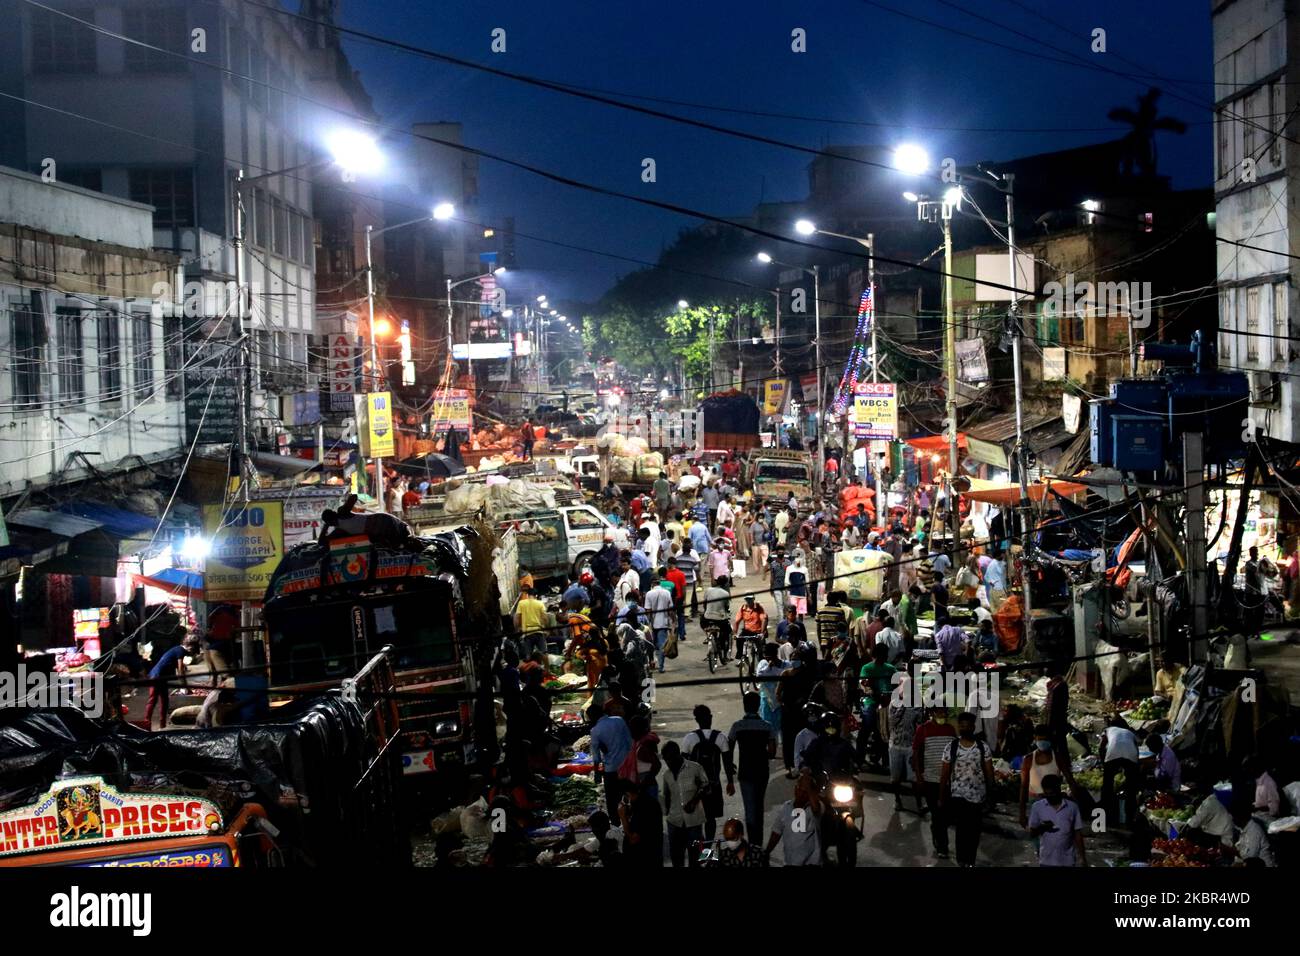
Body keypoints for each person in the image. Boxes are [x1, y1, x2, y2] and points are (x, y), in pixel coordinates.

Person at [939, 712, 995, 867]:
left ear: (973, 727)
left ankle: (970, 860)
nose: (964, 728)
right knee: (962, 831)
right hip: (958, 796)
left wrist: (992, 795)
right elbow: (944, 774)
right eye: (961, 725)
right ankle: (962, 860)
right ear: (958, 727)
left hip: (978, 796)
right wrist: (942, 797)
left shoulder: (982, 747)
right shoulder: (951, 747)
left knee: (974, 831)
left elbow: (989, 773)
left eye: (967, 726)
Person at [728, 691, 777, 844]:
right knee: (759, 806)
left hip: (746, 771)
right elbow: (772, 752)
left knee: (750, 809)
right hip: (762, 771)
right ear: (758, 706)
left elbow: (728, 750)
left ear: (744, 706)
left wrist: (730, 770)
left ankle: (752, 845)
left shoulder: (737, 726)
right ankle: (758, 844)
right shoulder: (767, 726)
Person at [682, 704, 735, 841]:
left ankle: (698, 852)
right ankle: (708, 851)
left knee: (696, 820)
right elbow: (727, 762)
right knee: (710, 819)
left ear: (696, 720)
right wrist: (730, 782)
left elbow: (683, 764)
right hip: (713, 786)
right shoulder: (721, 738)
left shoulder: (689, 739)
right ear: (710, 717)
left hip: (694, 787)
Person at [912, 708, 957, 859]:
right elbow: (916, 754)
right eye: (938, 712)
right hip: (930, 779)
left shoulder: (950, 729)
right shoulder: (922, 730)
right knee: (938, 814)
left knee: (945, 814)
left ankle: (937, 833)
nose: (942, 715)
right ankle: (942, 846)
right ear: (932, 713)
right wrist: (919, 776)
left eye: (944, 712)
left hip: (949, 780)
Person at [659, 741, 710, 867]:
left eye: (670, 759)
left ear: (678, 755)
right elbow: (666, 796)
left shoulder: (695, 768)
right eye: (665, 760)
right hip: (674, 823)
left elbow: (707, 786)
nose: (668, 763)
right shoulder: (667, 775)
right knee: (677, 858)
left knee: (696, 858)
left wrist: (694, 801)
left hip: (693, 822)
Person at [1026, 774, 1088, 867]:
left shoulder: (1072, 807)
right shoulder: (1037, 807)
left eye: (1052, 794)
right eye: (1047, 794)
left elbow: (1077, 834)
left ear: (1059, 790)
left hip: (1068, 861)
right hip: (1046, 861)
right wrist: (1042, 827)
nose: (1050, 797)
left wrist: (1082, 858)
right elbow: (1032, 833)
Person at [1019, 724, 1073, 827]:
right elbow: (1024, 786)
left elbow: (1070, 780)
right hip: (1034, 800)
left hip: (1054, 801)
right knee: (1036, 833)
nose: (1042, 742)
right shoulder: (1029, 759)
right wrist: (1022, 813)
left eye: (1045, 739)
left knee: (1054, 833)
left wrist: (1075, 805)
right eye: (1040, 739)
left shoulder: (1057, 758)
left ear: (1050, 740)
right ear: (1035, 739)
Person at [766, 772, 822, 866]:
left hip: (811, 864)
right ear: (795, 789)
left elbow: (816, 808)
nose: (802, 794)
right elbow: (776, 832)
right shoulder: (786, 808)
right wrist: (767, 851)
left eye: (806, 792)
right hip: (790, 863)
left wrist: (808, 787)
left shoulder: (813, 809)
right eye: (800, 789)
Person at [887, 676, 925, 812]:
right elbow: (892, 722)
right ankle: (897, 800)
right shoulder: (894, 704)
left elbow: (920, 725)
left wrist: (919, 747)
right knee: (895, 778)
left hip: (910, 745)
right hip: (895, 745)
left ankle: (919, 804)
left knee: (914, 778)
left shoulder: (918, 705)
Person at [590, 702, 633, 817]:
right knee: (628, 795)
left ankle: (615, 824)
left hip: (611, 769)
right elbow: (630, 742)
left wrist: (597, 774)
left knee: (612, 800)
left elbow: (596, 756)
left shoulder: (595, 730)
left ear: (593, 717)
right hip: (626, 766)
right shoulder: (619, 720)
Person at [145, 637, 197, 730]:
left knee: (164, 700)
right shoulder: (180, 651)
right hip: (156, 676)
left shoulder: (177, 649)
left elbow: (179, 668)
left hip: (161, 677)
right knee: (153, 700)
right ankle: (146, 723)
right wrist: (186, 687)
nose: (191, 654)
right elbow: (180, 671)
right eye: (193, 651)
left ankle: (163, 725)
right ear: (190, 647)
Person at [1100, 714, 1140, 825]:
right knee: (1131, 788)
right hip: (1131, 755)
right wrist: (1134, 769)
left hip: (1113, 753)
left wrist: (1104, 763)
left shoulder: (1108, 729)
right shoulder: (1130, 733)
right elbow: (1136, 749)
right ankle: (1129, 818)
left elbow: (1101, 746)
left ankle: (1105, 815)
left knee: (1107, 785)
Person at [617, 777, 664, 867]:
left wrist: (622, 817)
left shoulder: (644, 807)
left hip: (645, 857)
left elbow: (633, 839)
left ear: (626, 795)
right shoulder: (639, 800)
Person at [643, 569, 675, 672]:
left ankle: (655, 664)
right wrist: (673, 621)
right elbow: (670, 610)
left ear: (652, 583)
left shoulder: (649, 594)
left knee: (653, 645)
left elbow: (648, 611)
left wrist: (647, 624)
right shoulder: (666, 593)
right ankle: (661, 666)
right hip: (664, 623)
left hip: (653, 624)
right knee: (661, 645)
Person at [1230, 797, 1275, 867]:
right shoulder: (1241, 829)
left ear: (1240, 816)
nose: (1232, 819)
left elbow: (1251, 858)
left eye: (1233, 816)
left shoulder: (1255, 830)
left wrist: (1234, 852)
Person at [755, 642, 786, 741]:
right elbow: (759, 676)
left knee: (780, 725)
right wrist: (769, 667)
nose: (765, 657)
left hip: (780, 700)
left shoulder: (784, 664)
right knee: (767, 724)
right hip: (767, 700)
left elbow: (784, 674)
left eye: (768, 655)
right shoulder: (763, 663)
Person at [700, 575, 732, 662]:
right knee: (727, 632)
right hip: (720, 619)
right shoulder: (725, 593)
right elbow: (726, 607)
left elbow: (704, 604)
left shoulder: (708, 590)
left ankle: (708, 637)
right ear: (725, 584)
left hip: (707, 618)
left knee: (706, 626)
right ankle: (725, 654)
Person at [732, 593, 769, 662]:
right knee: (739, 639)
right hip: (747, 630)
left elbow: (763, 620)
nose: (749, 601)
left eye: (750, 599)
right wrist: (735, 633)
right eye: (747, 599)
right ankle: (741, 657)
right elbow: (737, 621)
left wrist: (762, 633)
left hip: (757, 631)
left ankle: (762, 663)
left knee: (761, 649)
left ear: (753, 599)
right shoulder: (743, 608)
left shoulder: (758, 607)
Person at [675, 544, 701, 619]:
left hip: (679, 582)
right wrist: (699, 580)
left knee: (679, 597)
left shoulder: (677, 559)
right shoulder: (692, 560)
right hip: (689, 581)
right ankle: (686, 615)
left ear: (682, 550)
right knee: (688, 599)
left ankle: (679, 613)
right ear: (690, 551)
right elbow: (697, 569)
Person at [785, 552, 809, 617]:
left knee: (801, 612)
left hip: (802, 594)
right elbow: (786, 582)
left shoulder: (804, 569)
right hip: (793, 593)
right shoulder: (789, 568)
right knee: (792, 611)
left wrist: (809, 594)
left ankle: (800, 625)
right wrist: (787, 593)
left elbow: (807, 583)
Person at [768, 544, 790, 614]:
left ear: (784, 553)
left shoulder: (788, 563)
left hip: (786, 586)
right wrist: (771, 587)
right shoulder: (773, 564)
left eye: (782, 552)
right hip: (776, 586)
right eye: (779, 553)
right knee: (779, 605)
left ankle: (786, 620)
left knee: (786, 605)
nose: (781, 554)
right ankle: (781, 621)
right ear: (776, 553)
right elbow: (772, 576)